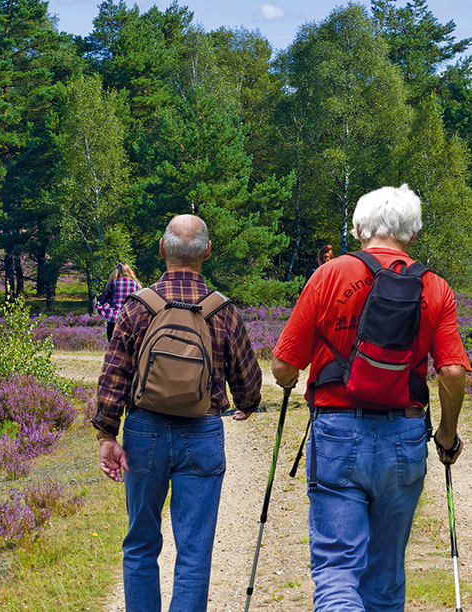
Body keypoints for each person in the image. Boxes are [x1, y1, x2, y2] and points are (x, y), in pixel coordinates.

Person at [271, 184, 469, 611]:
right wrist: (447, 437)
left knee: (338, 571)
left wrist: (292, 378)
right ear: (411, 235)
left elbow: (285, 367)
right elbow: (452, 371)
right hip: (405, 434)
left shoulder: (328, 275)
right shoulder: (434, 288)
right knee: (384, 578)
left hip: (337, 433)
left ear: (359, 229)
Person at [92, 214, 262, 612]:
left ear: (162, 249)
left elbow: (113, 376)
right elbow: (248, 381)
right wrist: (247, 406)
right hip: (202, 434)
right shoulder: (221, 310)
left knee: (140, 543)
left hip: (143, 432)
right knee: (194, 552)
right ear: (206, 251)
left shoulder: (137, 308)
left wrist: (106, 435)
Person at [96, 262, 142, 341]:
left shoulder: (114, 283)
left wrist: (100, 307)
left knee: (111, 340)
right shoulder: (135, 284)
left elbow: (102, 300)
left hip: (115, 318)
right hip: (130, 318)